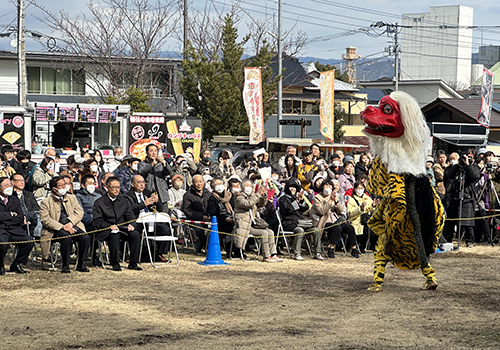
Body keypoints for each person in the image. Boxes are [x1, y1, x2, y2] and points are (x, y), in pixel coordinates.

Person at [40, 176, 90, 273]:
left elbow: (79, 212)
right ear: (54, 189)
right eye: (61, 185)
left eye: (65, 185)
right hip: (55, 229)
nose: (64, 187)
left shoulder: (71, 197)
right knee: (66, 237)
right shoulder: (46, 202)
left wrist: (70, 223)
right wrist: (62, 227)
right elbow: (45, 219)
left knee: (85, 237)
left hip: (72, 224)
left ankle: (81, 264)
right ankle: (65, 265)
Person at [92, 176, 142, 271]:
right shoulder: (99, 203)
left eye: (118, 187)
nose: (116, 190)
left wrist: (131, 224)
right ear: (107, 187)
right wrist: (109, 226)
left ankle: (133, 262)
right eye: (113, 187)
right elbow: (97, 221)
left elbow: (130, 216)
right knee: (114, 235)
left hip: (122, 228)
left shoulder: (124, 201)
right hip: (106, 230)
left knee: (135, 234)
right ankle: (115, 263)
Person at [233, 179, 281, 262]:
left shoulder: (253, 196)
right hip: (243, 225)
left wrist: (263, 195)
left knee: (270, 232)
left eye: (250, 186)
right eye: (246, 186)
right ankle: (266, 256)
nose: (248, 188)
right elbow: (248, 204)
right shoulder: (238, 197)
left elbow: (261, 204)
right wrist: (258, 194)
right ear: (242, 187)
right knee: (264, 233)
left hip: (253, 224)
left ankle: (273, 254)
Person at [126, 175, 171, 263]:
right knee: (135, 232)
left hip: (150, 220)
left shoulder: (148, 194)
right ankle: (134, 255)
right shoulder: (128, 196)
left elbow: (160, 209)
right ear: (132, 184)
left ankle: (159, 254)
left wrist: (157, 202)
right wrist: (144, 204)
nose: (142, 185)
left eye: (143, 182)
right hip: (137, 221)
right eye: (139, 182)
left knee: (165, 229)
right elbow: (130, 209)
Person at [311, 179, 358, 259]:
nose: (328, 188)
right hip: (324, 221)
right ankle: (331, 249)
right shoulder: (317, 198)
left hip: (335, 219)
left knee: (350, 228)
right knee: (337, 228)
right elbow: (321, 211)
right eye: (326, 186)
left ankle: (354, 249)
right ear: (322, 187)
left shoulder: (333, 196)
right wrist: (330, 201)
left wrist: (336, 202)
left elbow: (341, 210)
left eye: (330, 187)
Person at [442, 153, 481, 246]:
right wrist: (458, 165)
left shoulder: (473, 167)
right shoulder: (455, 167)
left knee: (468, 221)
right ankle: (448, 240)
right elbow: (449, 176)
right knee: (451, 221)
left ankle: (470, 241)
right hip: (454, 197)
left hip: (467, 197)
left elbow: (474, 177)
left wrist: (468, 165)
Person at [279, 178, 323, 260]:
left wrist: (301, 200)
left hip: (301, 222)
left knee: (316, 230)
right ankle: (297, 253)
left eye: (294, 187)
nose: (292, 189)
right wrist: (296, 201)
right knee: (300, 230)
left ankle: (317, 252)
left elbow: (305, 208)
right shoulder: (283, 198)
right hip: (288, 223)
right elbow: (288, 209)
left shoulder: (297, 197)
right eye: (290, 187)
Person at [0, 177, 34, 274]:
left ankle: (17, 264)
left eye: (10, 185)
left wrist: (5, 219)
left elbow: (20, 217)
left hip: (14, 229)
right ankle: (0, 266)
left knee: (29, 241)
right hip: (1, 230)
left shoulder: (14, 199)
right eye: (6, 185)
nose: (10, 187)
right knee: (3, 245)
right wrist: (10, 215)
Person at [75, 174, 102, 266]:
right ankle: (92, 255)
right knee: (92, 230)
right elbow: (80, 212)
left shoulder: (98, 196)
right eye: (89, 183)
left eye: (93, 183)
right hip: (86, 222)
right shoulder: (78, 196)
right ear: (83, 185)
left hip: (99, 220)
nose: (92, 185)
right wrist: (90, 221)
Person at [181, 174, 211, 253]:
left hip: (208, 218)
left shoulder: (208, 193)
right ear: (193, 183)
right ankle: (204, 246)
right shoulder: (188, 195)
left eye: (201, 182)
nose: (199, 184)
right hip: (195, 219)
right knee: (199, 229)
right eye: (197, 182)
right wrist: (201, 217)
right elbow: (187, 211)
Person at [207, 177, 235, 257]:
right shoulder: (212, 199)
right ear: (212, 187)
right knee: (230, 228)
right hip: (220, 222)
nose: (220, 186)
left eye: (221, 184)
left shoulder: (229, 196)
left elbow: (234, 208)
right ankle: (229, 250)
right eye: (217, 184)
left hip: (231, 218)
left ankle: (239, 251)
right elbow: (213, 214)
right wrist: (225, 219)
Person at [347, 181, 378, 253]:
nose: (360, 190)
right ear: (354, 189)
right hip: (356, 221)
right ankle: (358, 246)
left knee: (371, 228)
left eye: (361, 188)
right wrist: (360, 208)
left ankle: (368, 246)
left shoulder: (368, 199)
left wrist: (373, 206)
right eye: (358, 188)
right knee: (364, 229)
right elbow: (351, 214)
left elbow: (372, 213)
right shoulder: (351, 200)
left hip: (366, 220)